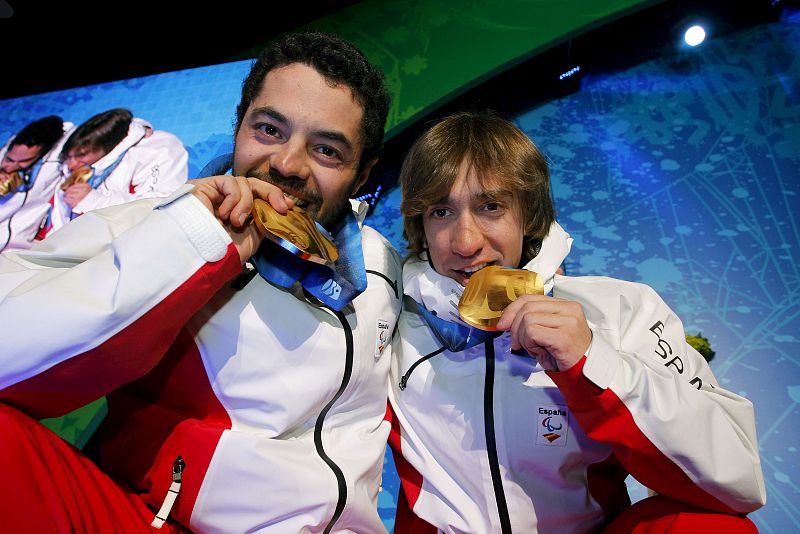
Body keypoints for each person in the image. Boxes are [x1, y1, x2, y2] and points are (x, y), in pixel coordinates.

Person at [0, 31, 401, 533]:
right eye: (269, 129)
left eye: (325, 149)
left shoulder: (383, 266)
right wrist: (192, 241)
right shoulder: (154, 223)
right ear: (238, 124)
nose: (286, 164)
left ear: (361, 175)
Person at [387, 111, 766, 533]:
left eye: (491, 206)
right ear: (420, 226)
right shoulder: (389, 324)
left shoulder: (620, 310)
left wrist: (593, 362)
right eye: (441, 211)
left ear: (529, 215)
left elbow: (738, 481)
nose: (465, 242)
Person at [43, 107, 189, 235]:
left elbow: (163, 207)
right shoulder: (80, 153)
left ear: (108, 147)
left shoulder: (160, 149)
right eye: (68, 157)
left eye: (81, 155)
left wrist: (95, 201)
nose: (71, 164)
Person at [0, 115, 74, 252]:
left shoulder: (51, 165)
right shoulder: (6, 154)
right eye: (9, 160)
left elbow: (69, 130)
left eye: (23, 162)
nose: (10, 167)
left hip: (16, 249)